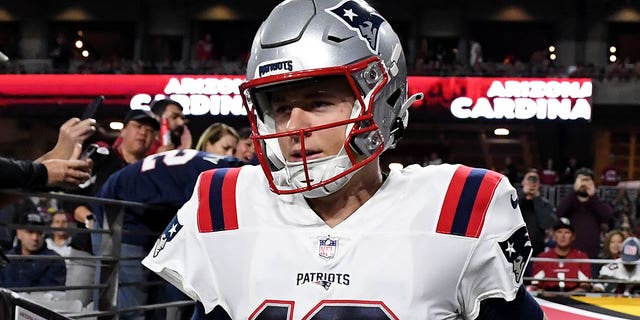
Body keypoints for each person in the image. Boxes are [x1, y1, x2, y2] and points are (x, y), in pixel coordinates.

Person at [142, 1, 546, 319]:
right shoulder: (226, 201)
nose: (293, 125)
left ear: (382, 101)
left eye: (318, 103)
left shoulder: (461, 205)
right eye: (280, 107)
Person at [93, 149, 245, 319]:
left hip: (139, 206)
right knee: (130, 301)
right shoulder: (220, 178)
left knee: (152, 293)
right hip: (119, 208)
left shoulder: (223, 167)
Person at [71, 109, 159, 253]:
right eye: (138, 126)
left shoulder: (152, 171)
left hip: (131, 250)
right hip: (87, 249)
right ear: (123, 131)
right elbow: (71, 195)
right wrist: (92, 222)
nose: (143, 133)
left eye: (149, 130)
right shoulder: (101, 156)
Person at [556, 167, 613, 260]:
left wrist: (593, 196)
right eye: (581, 180)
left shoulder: (598, 202)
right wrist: (574, 191)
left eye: (587, 180)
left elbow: (607, 216)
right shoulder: (570, 201)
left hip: (591, 255)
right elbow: (560, 212)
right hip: (570, 254)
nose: (584, 184)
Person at [0, 213, 66, 288]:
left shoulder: (54, 261)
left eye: (39, 233)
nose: (35, 238)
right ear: (19, 233)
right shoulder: (7, 259)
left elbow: (50, 295)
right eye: (30, 232)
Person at [531, 218, 592, 294]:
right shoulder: (543, 257)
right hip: (547, 299)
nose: (563, 236)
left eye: (567, 232)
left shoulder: (581, 257)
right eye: (559, 232)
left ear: (573, 237)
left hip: (575, 300)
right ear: (554, 236)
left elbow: (585, 284)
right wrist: (545, 294)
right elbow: (535, 284)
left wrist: (569, 295)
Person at [518, 169, 556, 258]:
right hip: (515, 249)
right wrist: (523, 194)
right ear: (523, 182)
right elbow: (510, 213)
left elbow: (546, 224)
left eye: (535, 180)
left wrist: (537, 199)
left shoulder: (545, 204)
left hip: (537, 251)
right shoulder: (514, 200)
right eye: (529, 179)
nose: (532, 182)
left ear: (539, 184)